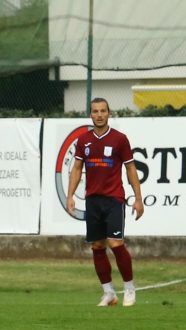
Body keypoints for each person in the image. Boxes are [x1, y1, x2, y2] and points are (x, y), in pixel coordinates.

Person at [66, 97, 144, 307]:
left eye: (103, 111)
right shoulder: (83, 140)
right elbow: (76, 169)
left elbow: (130, 169)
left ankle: (129, 289)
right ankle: (109, 293)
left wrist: (138, 198)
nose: (99, 115)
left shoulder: (119, 139)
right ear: (90, 114)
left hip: (114, 199)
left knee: (116, 243)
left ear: (109, 113)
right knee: (98, 246)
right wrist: (70, 195)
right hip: (93, 200)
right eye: (95, 111)